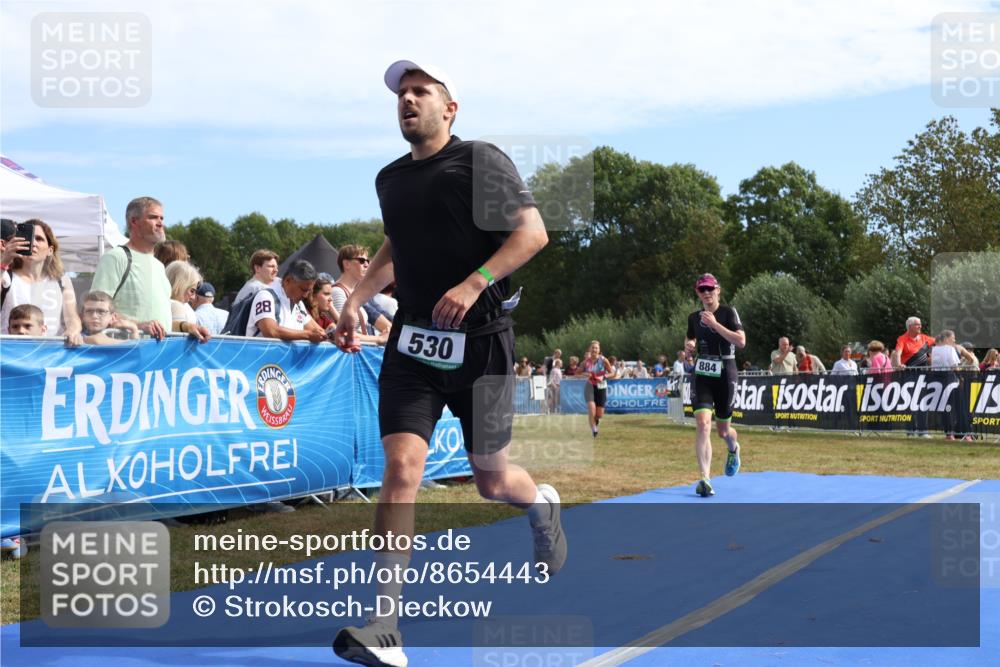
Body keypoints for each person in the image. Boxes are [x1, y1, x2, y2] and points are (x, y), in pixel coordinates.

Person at [331, 59, 563, 667]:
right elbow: (394, 247)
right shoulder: (389, 179)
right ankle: (385, 623)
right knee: (403, 466)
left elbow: (533, 233)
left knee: (491, 480)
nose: (407, 101)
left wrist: (473, 281)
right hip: (413, 345)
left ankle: (539, 504)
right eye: (401, 94)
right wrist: (355, 298)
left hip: (483, 343)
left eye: (420, 91)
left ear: (448, 108)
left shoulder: (478, 160)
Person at [686, 273, 746, 498]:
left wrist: (715, 324)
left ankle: (733, 448)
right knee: (702, 424)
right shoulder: (693, 317)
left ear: (718, 290)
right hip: (702, 373)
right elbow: (690, 338)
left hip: (726, 373)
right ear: (697, 293)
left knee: (722, 431)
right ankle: (705, 479)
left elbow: (741, 341)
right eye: (702, 290)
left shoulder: (728, 312)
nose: (707, 293)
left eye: (710, 288)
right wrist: (690, 346)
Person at [90, 197, 170, 339]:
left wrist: (187, 327)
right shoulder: (116, 257)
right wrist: (139, 326)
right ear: (134, 221)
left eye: (162, 218)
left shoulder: (159, 266)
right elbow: (95, 310)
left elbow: (163, 322)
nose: (160, 223)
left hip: (159, 356)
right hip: (127, 354)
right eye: (153, 217)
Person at [0, 219, 84, 345]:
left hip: (49, 352)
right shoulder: (6, 275)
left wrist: (73, 331)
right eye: (27, 238)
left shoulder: (61, 280)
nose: (32, 243)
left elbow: (72, 318)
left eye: (39, 239)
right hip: (11, 353)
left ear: (50, 250)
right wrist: (4, 261)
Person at [245, 259, 327, 342]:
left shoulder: (299, 304)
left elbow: (317, 331)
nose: (306, 296)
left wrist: (330, 334)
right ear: (287, 280)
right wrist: (308, 335)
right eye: (303, 290)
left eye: (309, 291)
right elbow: (271, 331)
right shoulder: (266, 296)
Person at [331, 245, 390, 345]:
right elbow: (343, 333)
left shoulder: (355, 293)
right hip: (349, 355)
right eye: (362, 261)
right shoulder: (337, 292)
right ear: (346, 264)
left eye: (368, 261)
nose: (367, 265)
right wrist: (379, 338)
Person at [891, 316, 936, 437]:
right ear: (910, 326)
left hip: (923, 374)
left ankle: (923, 431)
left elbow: (939, 341)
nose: (920, 326)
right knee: (910, 402)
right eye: (917, 324)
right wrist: (899, 364)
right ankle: (910, 430)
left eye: (920, 324)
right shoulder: (902, 339)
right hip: (909, 374)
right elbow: (897, 353)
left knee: (923, 401)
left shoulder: (925, 338)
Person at [930, 330, 976, 441]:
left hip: (940, 380)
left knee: (946, 408)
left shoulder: (934, 349)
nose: (954, 340)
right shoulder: (952, 348)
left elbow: (933, 366)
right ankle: (965, 434)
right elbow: (956, 366)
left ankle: (949, 433)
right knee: (960, 408)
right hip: (953, 380)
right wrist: (961, 375)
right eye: (953, 338)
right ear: (946, 338)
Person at [164, 261, 210, 342]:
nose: (193, 297)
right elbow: (176, 341)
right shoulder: (176, 306)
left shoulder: (163, 303)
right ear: (180, 285)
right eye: (192, 291)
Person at [581, 340, 611, 438]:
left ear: (599, 350)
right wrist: (585, 374)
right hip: (589, 386)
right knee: (591, 409)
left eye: (596, 348)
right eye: (593, 347)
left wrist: (603, 377)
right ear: (590, 349)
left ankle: (596, 420)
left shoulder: (604, 360)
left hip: (601, 387)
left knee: (599, 414)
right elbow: (577, 372)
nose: (594, 349)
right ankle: (594, 430)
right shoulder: (586, 362)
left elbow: (612, 373)